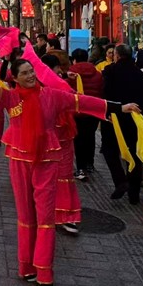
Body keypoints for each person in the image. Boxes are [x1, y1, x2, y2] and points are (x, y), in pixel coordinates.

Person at [0, 51, 140, 286]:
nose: (30, 76)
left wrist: (119, 107)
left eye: (32, 71)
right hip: (20, 160)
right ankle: (26, 266)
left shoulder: (52, 95)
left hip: (47, 160)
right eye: (24, 73)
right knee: (25, 216)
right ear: (15, 79)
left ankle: (45, 275)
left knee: (45, 217)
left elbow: (82, 101)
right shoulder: (10, 97)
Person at [100, 44, 143, 204]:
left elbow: (105, 93)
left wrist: (106, 112)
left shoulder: (110, 71)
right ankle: (134, 193)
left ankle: (121, 181)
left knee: (110, 150)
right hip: (134, 118)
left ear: (116, 56)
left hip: (114, 117)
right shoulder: (140, 75)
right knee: (134, 153)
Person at [41, 53, 81, 235]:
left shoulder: (59, 84)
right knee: (56, 175)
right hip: (51, 137)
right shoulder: (38, 86)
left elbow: (79, 101)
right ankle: (62, 214)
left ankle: (63, 214)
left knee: (60, 175)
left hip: (58, 136)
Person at [67, 48, 104, 180]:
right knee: (90, 136)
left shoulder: (70, 74)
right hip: (93, 110)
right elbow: (101, 90)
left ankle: (80, 167)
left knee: (78, 139)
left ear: (74, 60)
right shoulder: (97, 74)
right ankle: (90, 163)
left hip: (77, 111)